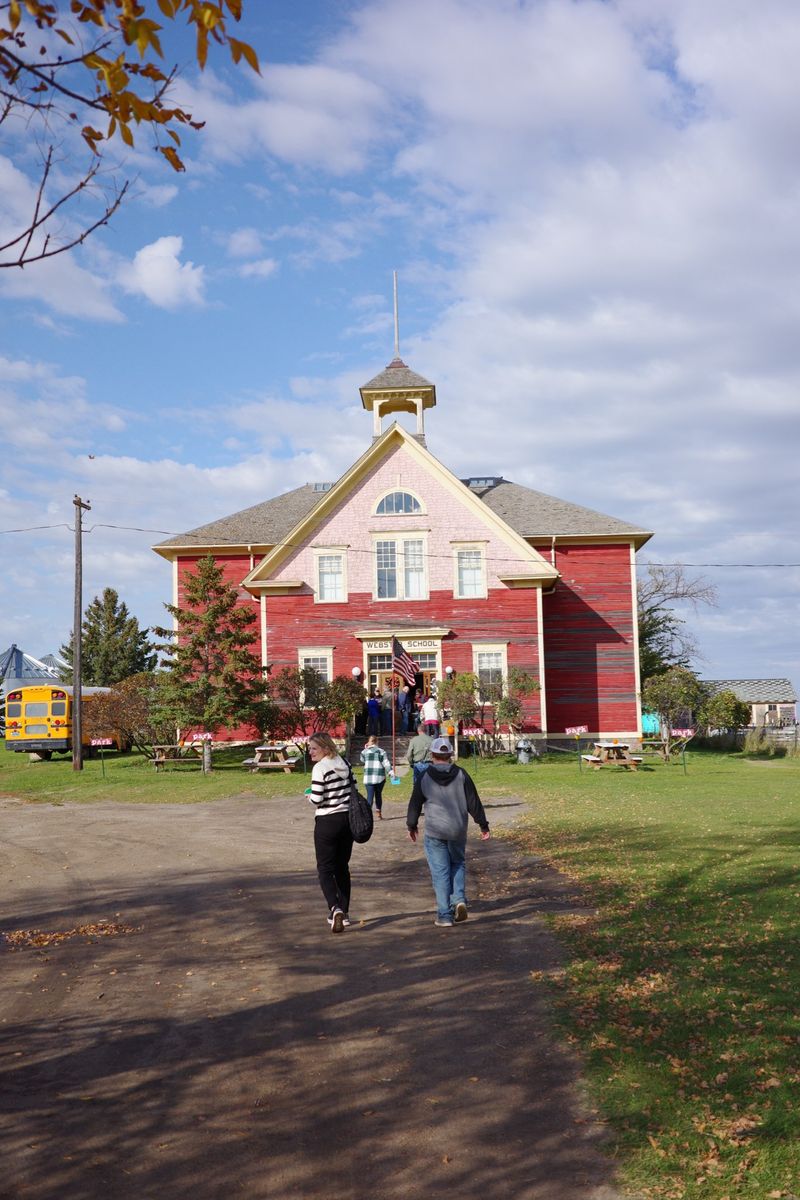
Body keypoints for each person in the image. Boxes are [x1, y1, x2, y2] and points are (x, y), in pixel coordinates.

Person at [406, 737, 490, 927]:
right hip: (458, 829)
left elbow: (415, 803)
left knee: (440, 871)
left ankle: (444, 915)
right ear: (450, 754)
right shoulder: (461, 774)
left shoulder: (424, 776)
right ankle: (459, 899)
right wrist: (483, 825)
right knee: (458, 863)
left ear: (433, 755)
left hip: (435, 830)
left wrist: (412, 825)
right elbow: (473, 802)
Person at [307, 731, 354, 933]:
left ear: (326, 748)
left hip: (327, 820)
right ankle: (344, 910)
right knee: (342, 867)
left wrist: (308, 797)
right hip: (347, 820)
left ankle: (334, 908)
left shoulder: (320, 768)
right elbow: (354, 789)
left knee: (325, 868)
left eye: (314, 748)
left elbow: (317, 799)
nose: (310, 752)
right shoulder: (345, 763)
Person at [360, 735, 394, 819]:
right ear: (377, 741)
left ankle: (367, 815)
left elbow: (362, 760)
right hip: (379, 777)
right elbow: (386, 763)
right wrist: (390, 772)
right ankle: (379, 813)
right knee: (378, 795)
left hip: (368, 777)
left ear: (369, 742)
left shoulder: (364, 752)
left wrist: (365, 748)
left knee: (369, 796)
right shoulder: (381, 751)